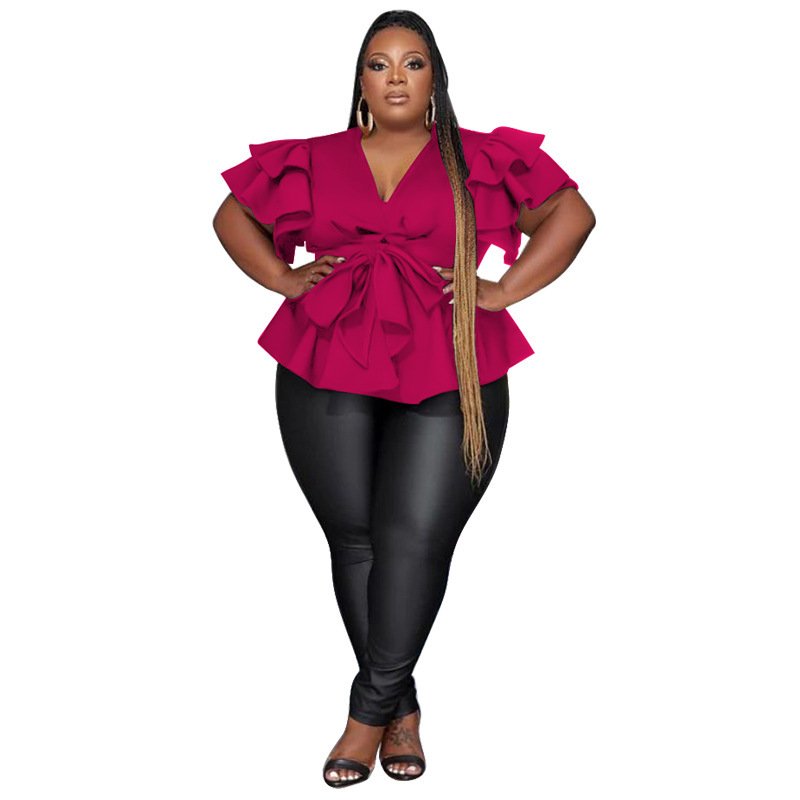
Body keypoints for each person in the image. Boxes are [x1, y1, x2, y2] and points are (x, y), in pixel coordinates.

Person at [213, 10, 595, 788]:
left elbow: (573, 214)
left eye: (413, 63)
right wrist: (284, 278)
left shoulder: (477, 156)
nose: (395, 76)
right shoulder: (312, 158)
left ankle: (365, 715)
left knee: (414, 539)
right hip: (323, 359)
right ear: (360, 80)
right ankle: (403, 709)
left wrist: (501, 292)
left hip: (453, 364)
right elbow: (231, 216)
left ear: (435, 79)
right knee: (355, 540)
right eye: (379, 63)